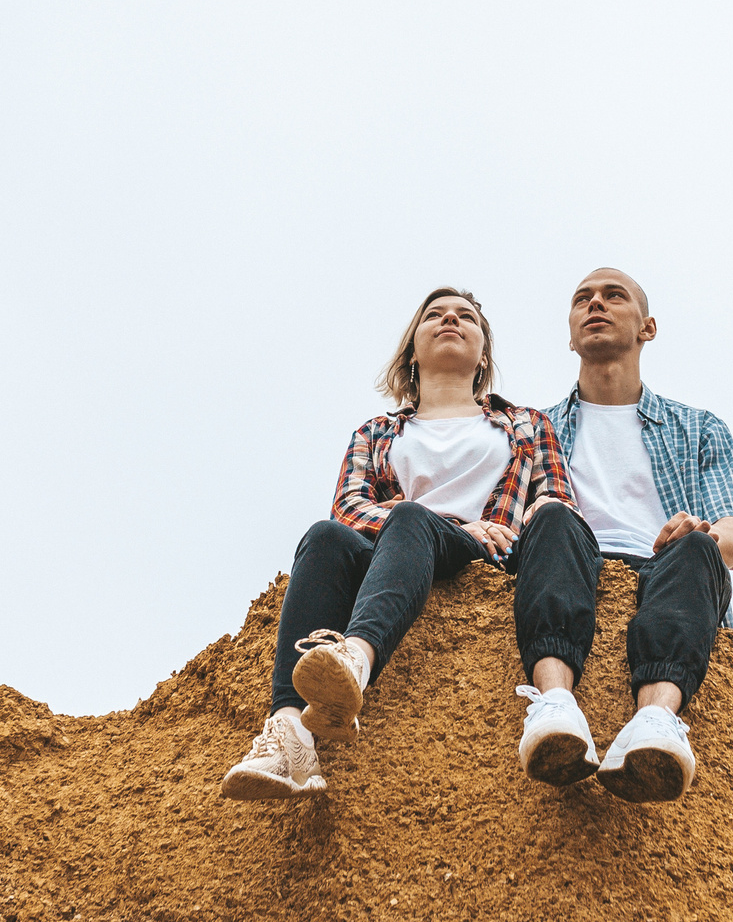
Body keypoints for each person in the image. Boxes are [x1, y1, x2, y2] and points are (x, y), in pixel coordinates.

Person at [219, 286, 576, 801]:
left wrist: (495, 527)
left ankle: (355, 662)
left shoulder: (526, 424)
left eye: (466, 317)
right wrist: (430, 519)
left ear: (483, 354)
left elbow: (556, 502)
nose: (450, 320)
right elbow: (349, 507)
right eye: (435, 315)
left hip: (484, 551)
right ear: (413, 349)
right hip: (399, 546)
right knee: (324, 537)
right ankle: (288, 736)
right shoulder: (377, 431)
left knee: (410, 516)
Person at [507, 267, 733, 803]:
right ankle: (555, 705)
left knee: (699, 547)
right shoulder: (534, 429)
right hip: (568, 557)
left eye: (613, 296)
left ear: (647, 328)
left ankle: (655, 721)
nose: (595, 304)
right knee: (553, 516)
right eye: (583, 299)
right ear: (571, 332)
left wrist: (704, 530)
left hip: (665, 567)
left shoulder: (698, 427)